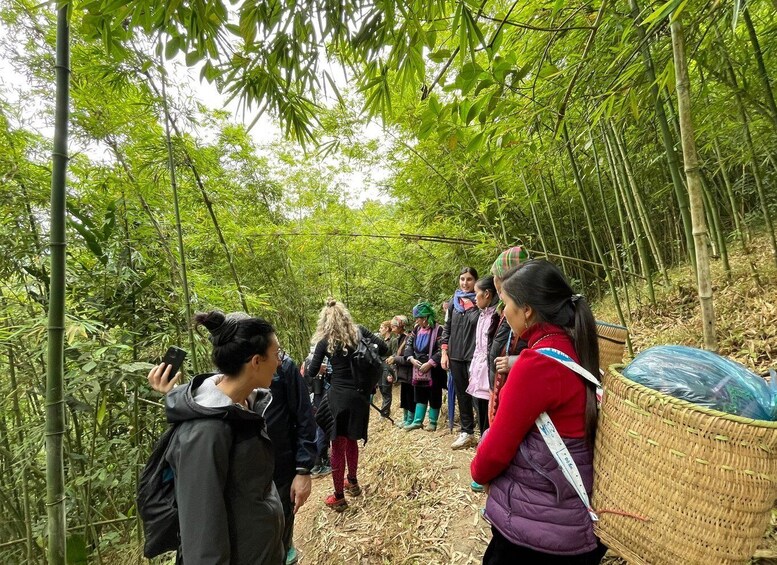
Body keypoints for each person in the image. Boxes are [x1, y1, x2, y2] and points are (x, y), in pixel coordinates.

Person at [471, 261, 606, 564]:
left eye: (505, 304)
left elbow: (496, 451)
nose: (503, 312)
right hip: (570, 512)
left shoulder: (536, 365)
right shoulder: (572, 346)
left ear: (527, 310)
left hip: (540, 527)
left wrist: (477, 472)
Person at [147, 310, 285, 564]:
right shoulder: (205, 432)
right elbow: (202, 535)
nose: (280, 362)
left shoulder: (244, 406)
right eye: (277, 355)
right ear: (256, 361)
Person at [305, 298, 388, 511]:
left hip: (338, 398)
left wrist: (316, 367)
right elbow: (385, 348)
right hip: (360, 396)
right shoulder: (359, 331)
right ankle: (352, 482)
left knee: (337, 446)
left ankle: (339, 497)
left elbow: (312, 372)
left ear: (325, 321)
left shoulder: (325, 341)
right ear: (345, 316)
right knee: (352, 441)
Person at [488, 246, 530, 424]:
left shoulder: (529, 311)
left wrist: (518, 361)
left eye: (497, 278)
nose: (494, 282)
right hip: (500, 384)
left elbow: (549, 355)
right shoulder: (503, 311)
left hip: (518, 389)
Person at [441, 267, 481, 449]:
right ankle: (467, 432)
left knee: (478, 396)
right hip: (455, 355)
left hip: (474, 356)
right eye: (462, 279)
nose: (465, 283)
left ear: (476, 281)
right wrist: (444, 352)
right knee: (462, 394)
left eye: (469, 279)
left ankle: (486, 432)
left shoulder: (482, 301)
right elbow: (447, 328)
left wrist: (471, 306)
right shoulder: (453, 302)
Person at [403, 302, 445, 432]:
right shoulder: (416, 330)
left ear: (425, 317)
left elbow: (441, 349)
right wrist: (411, 359)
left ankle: (432, 422)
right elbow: (408, 346)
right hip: (418, 368)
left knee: (434, 394)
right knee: (419, 393)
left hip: (434, 369)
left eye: (418, 318)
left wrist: (431, 363)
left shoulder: (439, 330)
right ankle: (417, 421)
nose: (416, 321)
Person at [386, 315, 413, 428]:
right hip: (403, 373)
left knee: (410, 397)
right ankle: (405, 419)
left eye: (394, 325)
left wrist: (395, 359)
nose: (392, 328)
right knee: (404, 398)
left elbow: (408, 358)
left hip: (409, 373)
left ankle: (411, 420)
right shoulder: (399, 339)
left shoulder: (408, 338)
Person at [376, 320, 396, 417]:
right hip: (380, 367)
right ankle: (384, 412)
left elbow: (395, 355)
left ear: (387, 329)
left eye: (381, 327)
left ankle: (384, 413)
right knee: (381, 388)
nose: (380, 330)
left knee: (386, 390)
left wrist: (390, 373)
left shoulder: (393, 340)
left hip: (387, 367)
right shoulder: (381, 341)